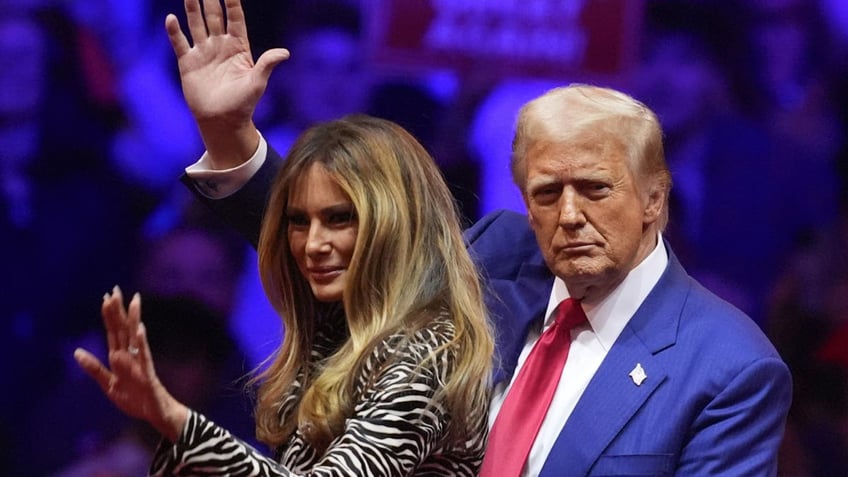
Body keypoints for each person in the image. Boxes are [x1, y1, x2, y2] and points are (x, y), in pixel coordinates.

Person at [149, 1, 792, 475]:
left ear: (655, 197)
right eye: (545, 193)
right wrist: (229, 134)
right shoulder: (495, 262)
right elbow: (339, 238)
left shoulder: (729, 367)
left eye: (595, 189)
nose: (568, 215)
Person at [73, 1, 494, 475]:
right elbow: (266, 215)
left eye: (339, 220)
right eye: (300, 222)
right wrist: (224, 128)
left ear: (392, 226)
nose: (312, 244)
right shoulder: (343, 317)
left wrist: (173, 420)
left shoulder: (423, 352)